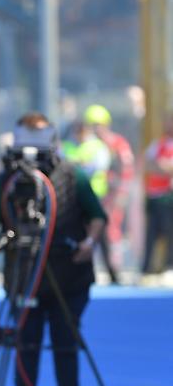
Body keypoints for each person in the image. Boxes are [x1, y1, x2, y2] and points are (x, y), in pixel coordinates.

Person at [0, 112, 107, 386]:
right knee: (26, 344)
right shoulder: (7, 182)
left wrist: (89, 243)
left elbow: (97, 215)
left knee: (66, 343)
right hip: (25, 279)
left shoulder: (72, 176)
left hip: (69, 278)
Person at [61, 119, 119, 283]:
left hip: (95, 195)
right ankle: (76, 272)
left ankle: (112, 271)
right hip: (72, 198)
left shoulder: (97, 146)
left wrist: (76, 166)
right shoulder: (67, 146)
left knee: (101, 233)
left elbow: (97, 167)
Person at [83, 104, 135, 272]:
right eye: (92, 125)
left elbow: (126, 168)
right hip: (95, 195)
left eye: (98, 125)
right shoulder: (89, 145)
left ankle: (115, 265)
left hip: (113, 194)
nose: (95, 129)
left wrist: (122, 193)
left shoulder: (117, 143)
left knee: (112, 227)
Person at [141, 115, 173, 276]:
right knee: (151, 233)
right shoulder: (158, 144)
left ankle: (169, 266)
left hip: (168, 196)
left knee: (170, 232)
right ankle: (147, 268)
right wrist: (161, 167)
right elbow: (147, 163)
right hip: (154, 196)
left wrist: (162, 166)